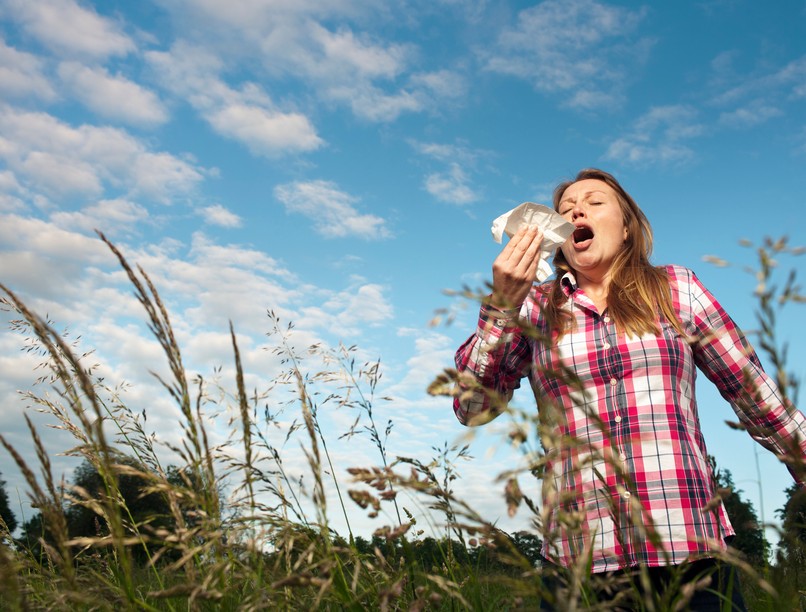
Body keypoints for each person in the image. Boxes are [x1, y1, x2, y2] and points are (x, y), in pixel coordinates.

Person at [453, 168, 806, 610]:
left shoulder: (677, 289)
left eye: (595, 202)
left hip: (688, 549)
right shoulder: (536, 308)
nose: (576, 210)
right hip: (579, 561)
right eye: (566, 208)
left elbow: (755, 395)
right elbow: (472, 406)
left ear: (626, 228)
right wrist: (504, 303)